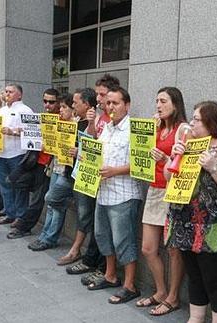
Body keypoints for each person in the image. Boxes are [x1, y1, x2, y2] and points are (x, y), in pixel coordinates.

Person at [163, 101, 217, 322]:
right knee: (194, 276)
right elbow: (169, 179)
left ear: (210, 122)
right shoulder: (187, 144)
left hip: (213, 225)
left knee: (215, 278)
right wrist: (173, 158)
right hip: (186, 222)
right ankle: (195, 319)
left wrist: (214, 167)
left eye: (196, 119)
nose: (191, 123)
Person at [87, 87, 143, 305]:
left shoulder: (135, 130)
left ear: (127, 105)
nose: (110, 107)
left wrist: (115, 171)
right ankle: (110, 275)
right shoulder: (107, 128)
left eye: (115, 103)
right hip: (103, 193)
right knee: (103, 236)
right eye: (108, 103)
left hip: (125, 195)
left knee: (124, 240)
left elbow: (141, 163)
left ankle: (130, 285)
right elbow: (94, 149)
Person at [136, 87, 187, 316]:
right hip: (154, 189)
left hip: (172, 192)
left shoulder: (182, 129)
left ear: (175, 104)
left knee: (174, 249)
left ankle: (173, 297)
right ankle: (160, 291)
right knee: (148, 248)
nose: (158, 105)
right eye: (156, 100)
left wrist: (166, 159)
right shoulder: (158, 126)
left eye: (163, 101)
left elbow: (187, 164)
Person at [66, 75, 120, 281]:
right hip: (91, 175)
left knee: (104, 228)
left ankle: (101, 265)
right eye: (97, 94)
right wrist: (90, 122)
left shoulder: (114, 119)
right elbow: (91, 142)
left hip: (108, 180)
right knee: (96, 224)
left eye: (102, 94)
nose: (99, 99)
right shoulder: (98, 116)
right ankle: (94, 262)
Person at [7, 88, 61, 239]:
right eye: (45, 101)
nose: (47, 105)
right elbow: (29, 131)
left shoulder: (62, 120)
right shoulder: (42, 117)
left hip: (48, 166)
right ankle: (22, 219)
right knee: (13, 180)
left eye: (51, 102)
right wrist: (18, 131)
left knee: (37, 199)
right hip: (34, 161)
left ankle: (24, 226)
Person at [27, 93, 77, 251]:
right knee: (51, 204)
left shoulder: (76, 125)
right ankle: (45, 235)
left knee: (55, 202)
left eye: (64, 107)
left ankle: (50, 237)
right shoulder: (57, 123)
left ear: (73, 110)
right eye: (60, 107)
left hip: (65, 171)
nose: (61, 110)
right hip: (56, 166)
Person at [0, 84, 33, 226]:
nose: (7, 94)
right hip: (1, 153)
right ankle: (10, 213)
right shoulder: (2, 110)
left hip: (17, 154)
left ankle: (20, 216)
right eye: (6, 91)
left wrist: (13, 131)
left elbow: (32, 131)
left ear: (19, 95)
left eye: (11, 91)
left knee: (18, 186)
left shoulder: (25, 110)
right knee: (4, 185)